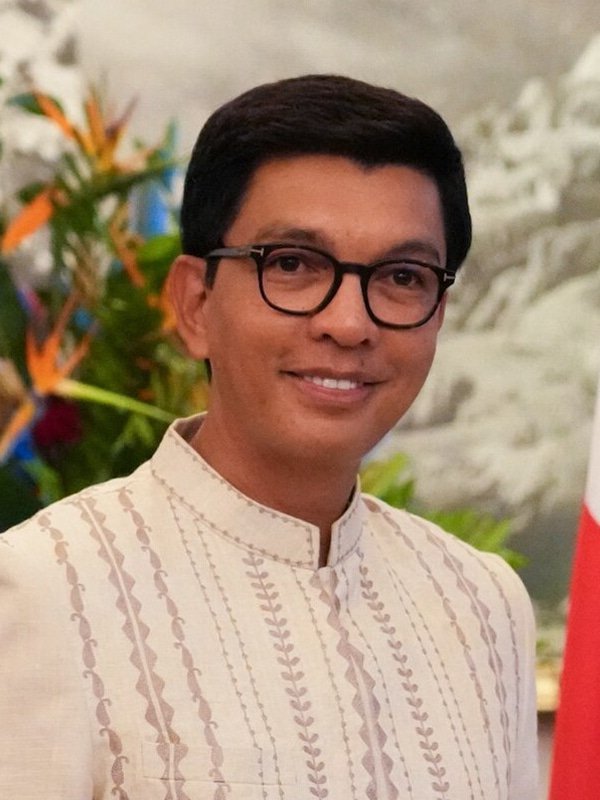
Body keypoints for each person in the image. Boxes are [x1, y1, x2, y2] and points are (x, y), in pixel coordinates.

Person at [0, 74, 538, 799]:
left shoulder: (481, 602)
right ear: (195, 304)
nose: (349, 323)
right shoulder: (45, 587)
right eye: (292, 265)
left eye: (402, 276)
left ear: (438, 314)